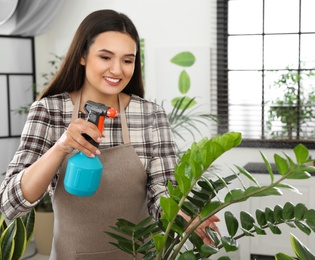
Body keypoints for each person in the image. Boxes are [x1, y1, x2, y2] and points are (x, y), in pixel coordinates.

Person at [0, 9, 219, 259]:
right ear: (82, 55)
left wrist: (183, 216)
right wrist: (61, 146)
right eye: (105, 57)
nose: (117, 70)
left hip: (141, 255)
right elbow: (10, 203)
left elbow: (162, 192)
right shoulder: (49, 111)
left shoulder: (150, 115)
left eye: (127, 60)